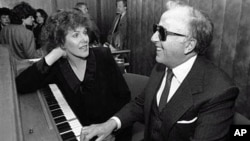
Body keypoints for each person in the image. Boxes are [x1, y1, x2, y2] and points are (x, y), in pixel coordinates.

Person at [80, 1, 239, 141]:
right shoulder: (162, 65)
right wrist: (110, 124)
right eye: (156, 29)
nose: (153, 38)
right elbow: (141, 104)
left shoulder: (219, 92)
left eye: (162, 32)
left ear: (189, 45)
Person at [15, 9, 132, 141]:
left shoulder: (102, 56)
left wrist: (111, 131)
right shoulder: (57, 66)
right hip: (78, 133)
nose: (85, 39)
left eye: (85, 32)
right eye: (75, 35)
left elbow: (125, 99)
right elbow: (22, 84)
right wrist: (55, 54)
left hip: (110, 133)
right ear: (61, 42)